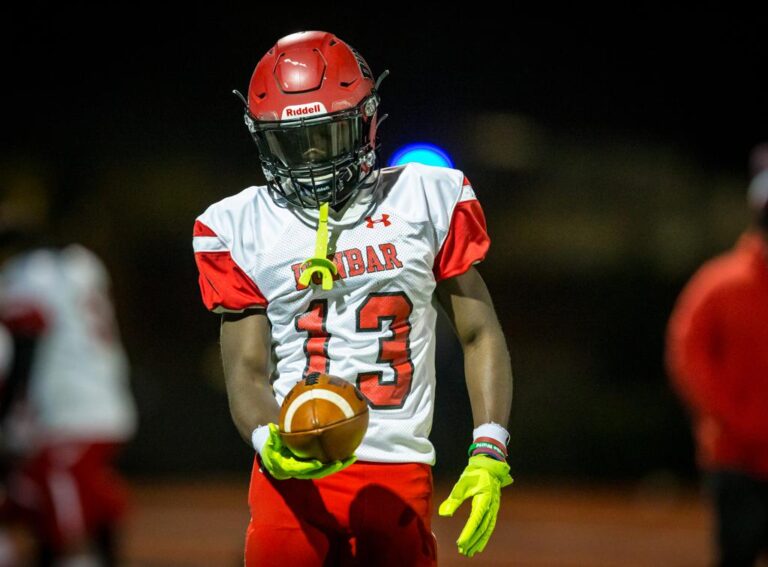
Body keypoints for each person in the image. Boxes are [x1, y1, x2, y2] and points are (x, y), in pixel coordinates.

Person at [192, 30, 514, 566]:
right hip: (292, 476)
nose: (313, 155)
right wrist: (266, 436)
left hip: (398, 468)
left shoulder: (423, 197)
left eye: (328, 133)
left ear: (366, 122)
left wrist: (490, 446)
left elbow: (480, 332)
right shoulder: (237, 225)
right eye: (294, 140)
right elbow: (245, 371)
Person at [0, 167, 138, 567]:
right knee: (79, 511)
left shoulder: (26, 276)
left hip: (66, 415)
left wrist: (9, 415)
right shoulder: (84, 263)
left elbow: (22, 347)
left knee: (68, 535)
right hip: (108, 402)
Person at [666, 145, 768, 567]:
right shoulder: (719, 285)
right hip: (736, 461)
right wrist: (736, 420)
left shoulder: (718, 282)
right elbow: (688, 357)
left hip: (735, 452)